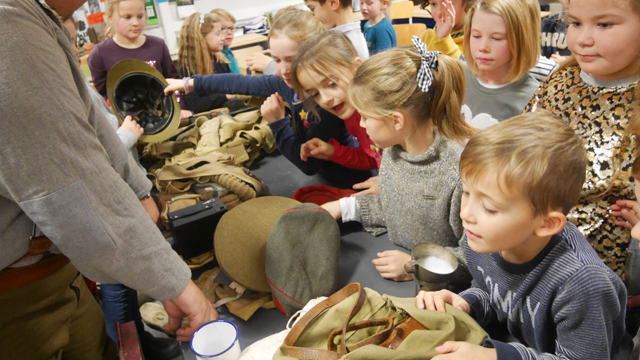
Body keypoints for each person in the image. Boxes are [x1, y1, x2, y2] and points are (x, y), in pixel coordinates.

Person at [0, 1, 218, 359]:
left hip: (55, 277)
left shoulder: (31, 16)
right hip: (17, 299)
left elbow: (90, 119)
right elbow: (65, 185)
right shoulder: (8, 24)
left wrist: (139, 190)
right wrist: (173, 282)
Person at [417, 112, 633, 360]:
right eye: (466, 192)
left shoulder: (582, 284)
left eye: (490, 208)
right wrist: (467, 304)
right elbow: (491, 292)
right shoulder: (485, 239)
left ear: (546, 223)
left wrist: (496, 357)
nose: (466, 214)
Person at [164, 7, 374, 189]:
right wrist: (191, 83)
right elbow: (241, 82)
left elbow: (309, 164)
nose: (282, 70)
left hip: (348, 181)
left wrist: (278, 124)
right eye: (275, 59)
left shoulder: (326, 104)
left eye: (291, 59)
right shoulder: (288, 84)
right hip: (329, 175)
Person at [321, 37, 476, 281]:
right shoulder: (394, 151)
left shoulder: (458, 175)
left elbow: (477, 255)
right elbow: (400, 209)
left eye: (365, 116)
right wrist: (343, 207)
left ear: (396, 120)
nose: (360, 124)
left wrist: (416, 266)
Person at [524, 0, 640, 323]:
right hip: (539, 266)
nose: (583, 39)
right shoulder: (560, 83)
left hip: (609, 288)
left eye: (604, 25)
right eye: (575, 23)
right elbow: (518, 155)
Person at [291, 31, 382, 172]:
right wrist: (332, 152)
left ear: (356, 69)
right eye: (315, 94)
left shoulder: (387, 112)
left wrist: (386, 183)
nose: (325, 99)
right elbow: (374, 158)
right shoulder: (352, 116)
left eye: (332, 84)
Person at [461, 0, 541, 129]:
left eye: (496, 38)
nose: (483, 47)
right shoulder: (457, 76)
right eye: (476, 36)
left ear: (521, 41)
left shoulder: (533, 99)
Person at [178, 12, 236, 114]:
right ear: (201, 38)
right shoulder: (188, 69)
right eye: (218, 34)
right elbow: (195, 104)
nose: (223, 37)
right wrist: (225, 96)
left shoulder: (221, 60)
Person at [304, 0, 370, 60]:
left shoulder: (348, 44)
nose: (313, 15)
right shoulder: (352, 37)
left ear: (333, 3)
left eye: (313, 9)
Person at [211, 8, 241, 74]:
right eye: (223, 29)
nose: (229, 32)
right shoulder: (216, 58)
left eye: (231, 28)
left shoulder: (227, 51)